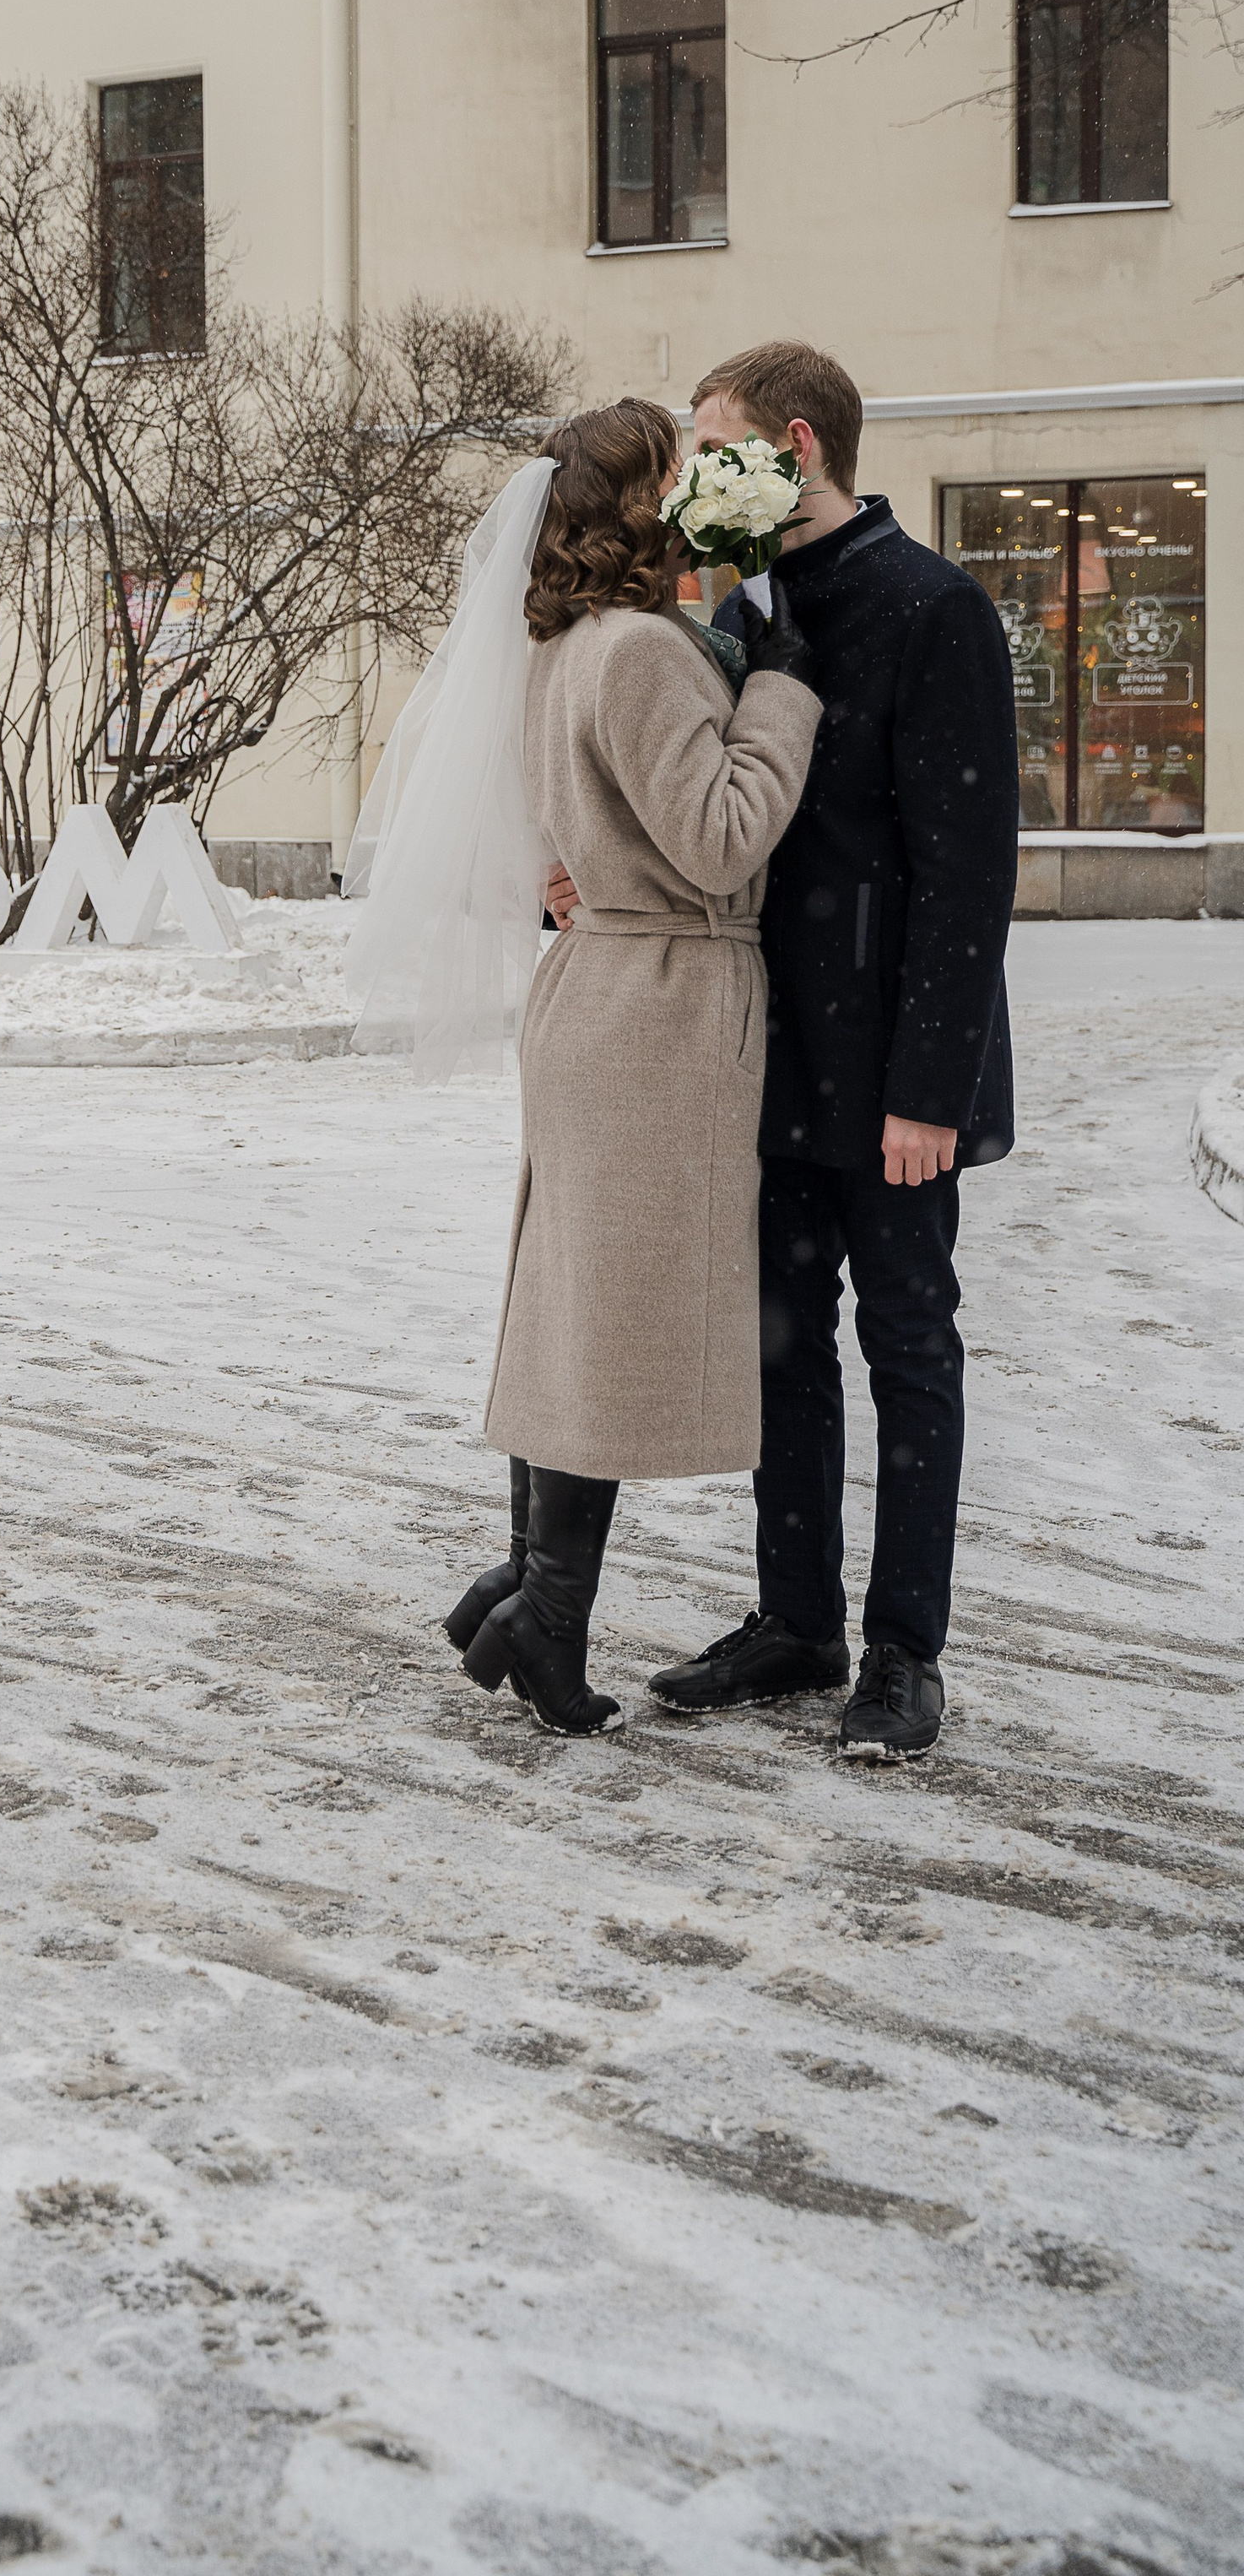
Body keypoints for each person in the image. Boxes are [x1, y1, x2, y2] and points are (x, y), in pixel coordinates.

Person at [568, 340, 1019, 1762]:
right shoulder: (741, 603)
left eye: (717, 451)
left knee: (908, 1350)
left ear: (798, 447)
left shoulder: (935, 609)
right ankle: (796, 1620)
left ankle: (902, 1651)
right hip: (756, 1059)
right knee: (780, 1356)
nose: (696, 481)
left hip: (893, 1073)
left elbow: (968, 871)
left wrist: (929, 1093)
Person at [344, 401, 822, 1736]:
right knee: (608, 1321)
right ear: (641, 503)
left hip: (600, 995)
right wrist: (780, 690)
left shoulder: (556, 646)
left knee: (571, 1304)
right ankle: (545, 1610)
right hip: (660, 1008)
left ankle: (529, 1596)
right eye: (679, 477)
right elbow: (723, 837)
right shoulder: (640, 655)